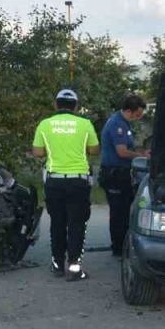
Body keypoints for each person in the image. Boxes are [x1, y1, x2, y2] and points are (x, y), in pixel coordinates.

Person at [31, 88, 100, 281]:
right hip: (78, 181)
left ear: (56, 104)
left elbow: (37, 152)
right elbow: (94, 150)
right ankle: (75, 269)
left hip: (54, 181)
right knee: (77, 225)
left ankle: (57, 266)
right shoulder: (85, 124)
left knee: (57, 224)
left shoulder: (45, 124)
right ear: (76, 106)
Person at [98, 94, 149, 257]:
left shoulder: (125, 124)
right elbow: (122, 152)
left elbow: (130, 147)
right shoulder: (117, 124)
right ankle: (118, 248)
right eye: (137, 114)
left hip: (121, 174)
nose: (138, 117)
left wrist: (142, 152)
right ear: (129, 111)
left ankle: (123, 245)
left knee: (125, 210)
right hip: (114, 175)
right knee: (118, 213)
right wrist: (141, 157)